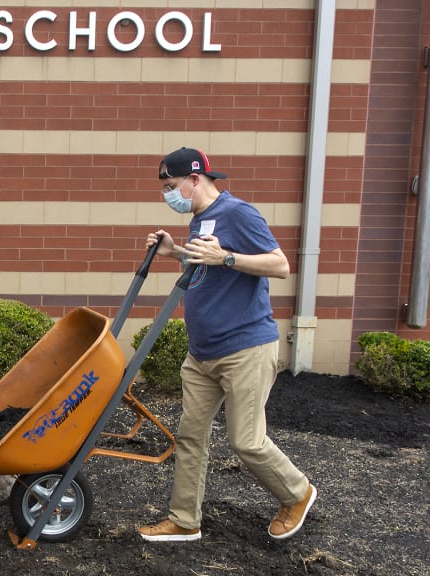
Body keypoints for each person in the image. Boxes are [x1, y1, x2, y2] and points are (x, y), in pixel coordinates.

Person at [138, 148, 317, 542]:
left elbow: (280, 264)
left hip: (244, 349)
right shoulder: (200, 219)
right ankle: (185, 520)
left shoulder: (239, 213)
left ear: (194, 179)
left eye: (171, 186)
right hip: (202, 353)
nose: (169, 195)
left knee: (246, 441)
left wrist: (229, 258)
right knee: (191, 436)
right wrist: (176, 253)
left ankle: (297, 493)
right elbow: (207, 265)